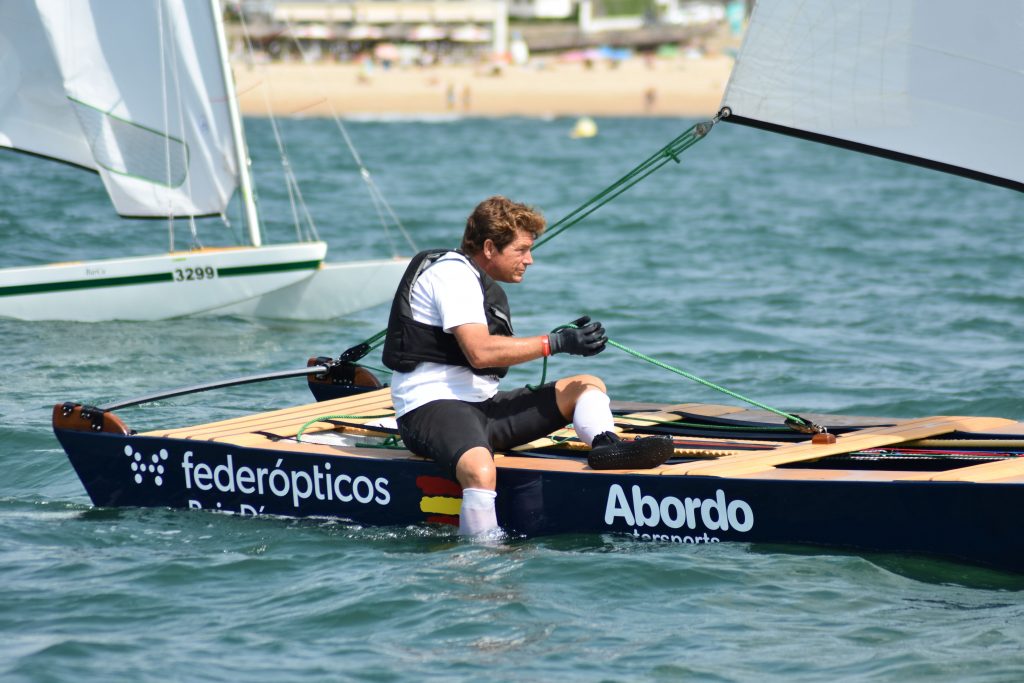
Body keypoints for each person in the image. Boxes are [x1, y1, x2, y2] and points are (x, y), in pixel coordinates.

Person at [382, 196, 670, 537]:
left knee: (586, 386)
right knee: (480, 471)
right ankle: (484, 556)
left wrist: (562, 343)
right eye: (521, 250)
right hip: (430, 407)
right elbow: (479, 352)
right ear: (490, 248)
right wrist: (556, 343)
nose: (529, 260)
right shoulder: (452, 274)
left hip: (484, 409)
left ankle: (606, 446)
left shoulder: (473, 278)